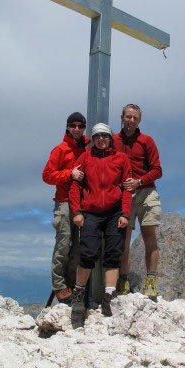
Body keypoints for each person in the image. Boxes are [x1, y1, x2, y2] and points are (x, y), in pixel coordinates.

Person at [68, 123, 132, 325]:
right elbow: (75, 185)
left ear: (111, 138)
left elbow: (128, 187)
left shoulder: (121, 158)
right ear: (93, 139)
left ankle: (109, 297)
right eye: (97, 136)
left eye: (105, 136)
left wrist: (126, 214)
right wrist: (77, 212)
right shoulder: (85, 158)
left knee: (113, 254)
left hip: (115, 213)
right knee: (87, 254)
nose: (101, 139)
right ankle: (79, 297)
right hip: (91, 213)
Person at [113, 104, 162, 301]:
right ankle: (123, 279)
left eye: (135, 118)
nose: (131, 120)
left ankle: (151, 281)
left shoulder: (147, 141)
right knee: (123, 240)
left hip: (146, 192)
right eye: (128, 117)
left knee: (149, 237)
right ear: (122, 117)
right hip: (124, 195)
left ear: (139, 120)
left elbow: (158, 170)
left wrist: (139, 181)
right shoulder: (113, 141)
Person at [42, 112, 89, 304]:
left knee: (78, 247)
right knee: (63, 244)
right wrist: (70, 174)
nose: (77, 129)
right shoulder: (60, 149)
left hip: (82, 204)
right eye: (73, 125)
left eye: (80, 126)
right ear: (68, 127)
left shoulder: (89, 147)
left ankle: (71, 285)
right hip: (63, 202)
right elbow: (47, 175)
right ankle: (59, 286)